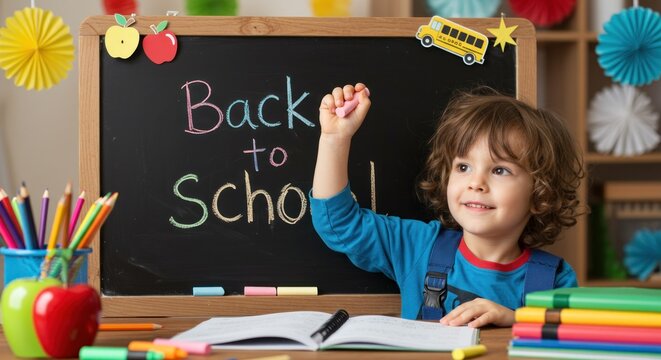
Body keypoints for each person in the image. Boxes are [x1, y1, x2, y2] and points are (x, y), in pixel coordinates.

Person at [309, 83, 585, 327]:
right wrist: (335, 139)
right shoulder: (417, 246)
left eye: (500, 170)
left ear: (539, 191)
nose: (476, 183)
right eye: (464, 166)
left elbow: (576, 341)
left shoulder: (554, 280)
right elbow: (340, 224)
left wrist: (515, 319)